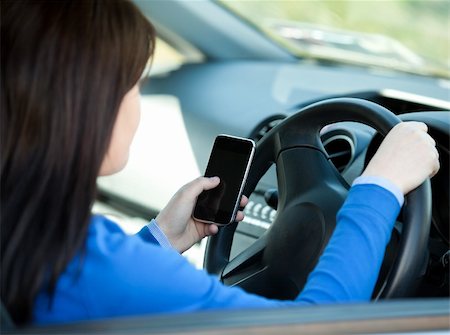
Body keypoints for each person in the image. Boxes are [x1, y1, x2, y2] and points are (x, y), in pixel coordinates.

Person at [0, 0, 440, 327]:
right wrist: (379, 187)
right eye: (134, 85)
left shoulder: (38, 238)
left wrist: (160, 239)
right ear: (85, 106)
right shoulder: (93, 262)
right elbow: (315, 325)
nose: (137, 102)